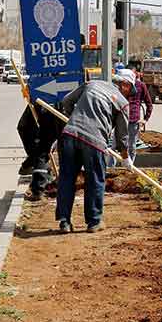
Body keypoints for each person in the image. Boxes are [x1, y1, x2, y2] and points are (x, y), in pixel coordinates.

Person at [54, 75, 133, 234]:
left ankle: (64, 222)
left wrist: (74, 119)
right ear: (125, 85)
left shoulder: (92, 84)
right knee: (95, 179)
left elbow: (66, 102)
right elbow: (122, 135)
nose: (129, 94)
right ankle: (94, 221)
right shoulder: (123, 104)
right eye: (130, 90)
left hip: (69, 135)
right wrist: (126, 158)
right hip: (94, 142)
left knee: (67, 178)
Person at [117, 67, 152, 164]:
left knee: (131, 146)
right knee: (116, 145)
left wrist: (145, 119)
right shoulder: (120, 86)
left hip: (133, 121)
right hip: (120, 119)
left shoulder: (141, 86)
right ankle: (112, 167)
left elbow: (149, 104)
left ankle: (129, 167)